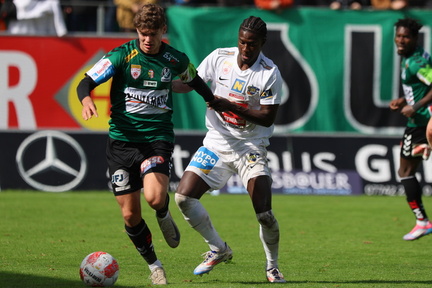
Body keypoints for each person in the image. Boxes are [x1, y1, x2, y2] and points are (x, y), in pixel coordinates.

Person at [76, 3, 216, 285]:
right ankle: (155, 266)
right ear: (136, 31)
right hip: (121, 143)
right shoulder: (121, 55)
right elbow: (86, 82)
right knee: (130, 214)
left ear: (163, 30)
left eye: (153, 34)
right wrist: (87, 98)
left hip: (156, 140)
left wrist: (212, 100)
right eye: (142, 34)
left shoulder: (174, 59)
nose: (148, 40)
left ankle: (163, 212)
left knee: (153, 198)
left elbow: (196, 80)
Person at [172, 16, 286, 283]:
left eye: (252, 44)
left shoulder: (269, 72)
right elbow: (189, 83)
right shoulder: (219, 57)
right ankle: (218, 249)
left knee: (265, 215)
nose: (246, 49)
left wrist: (231, 105)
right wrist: (163, 83)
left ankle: (272, 266)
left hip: (251, 146)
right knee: (183, 198)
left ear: (262, 43)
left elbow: (267, 117)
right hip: (217, 141)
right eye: (242, 42)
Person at [390, 17, 432, 241]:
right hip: (422, 120)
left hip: (421, 121)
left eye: (405, 37)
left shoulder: (416, 62)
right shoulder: (414, 56)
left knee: (405, 172)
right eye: (398, 36)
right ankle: (424, 146)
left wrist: (414, 106)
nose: (400, 40)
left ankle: (422, 221)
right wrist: (403, 100)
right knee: (407, 170)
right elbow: (421, 86)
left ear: (415, 38)